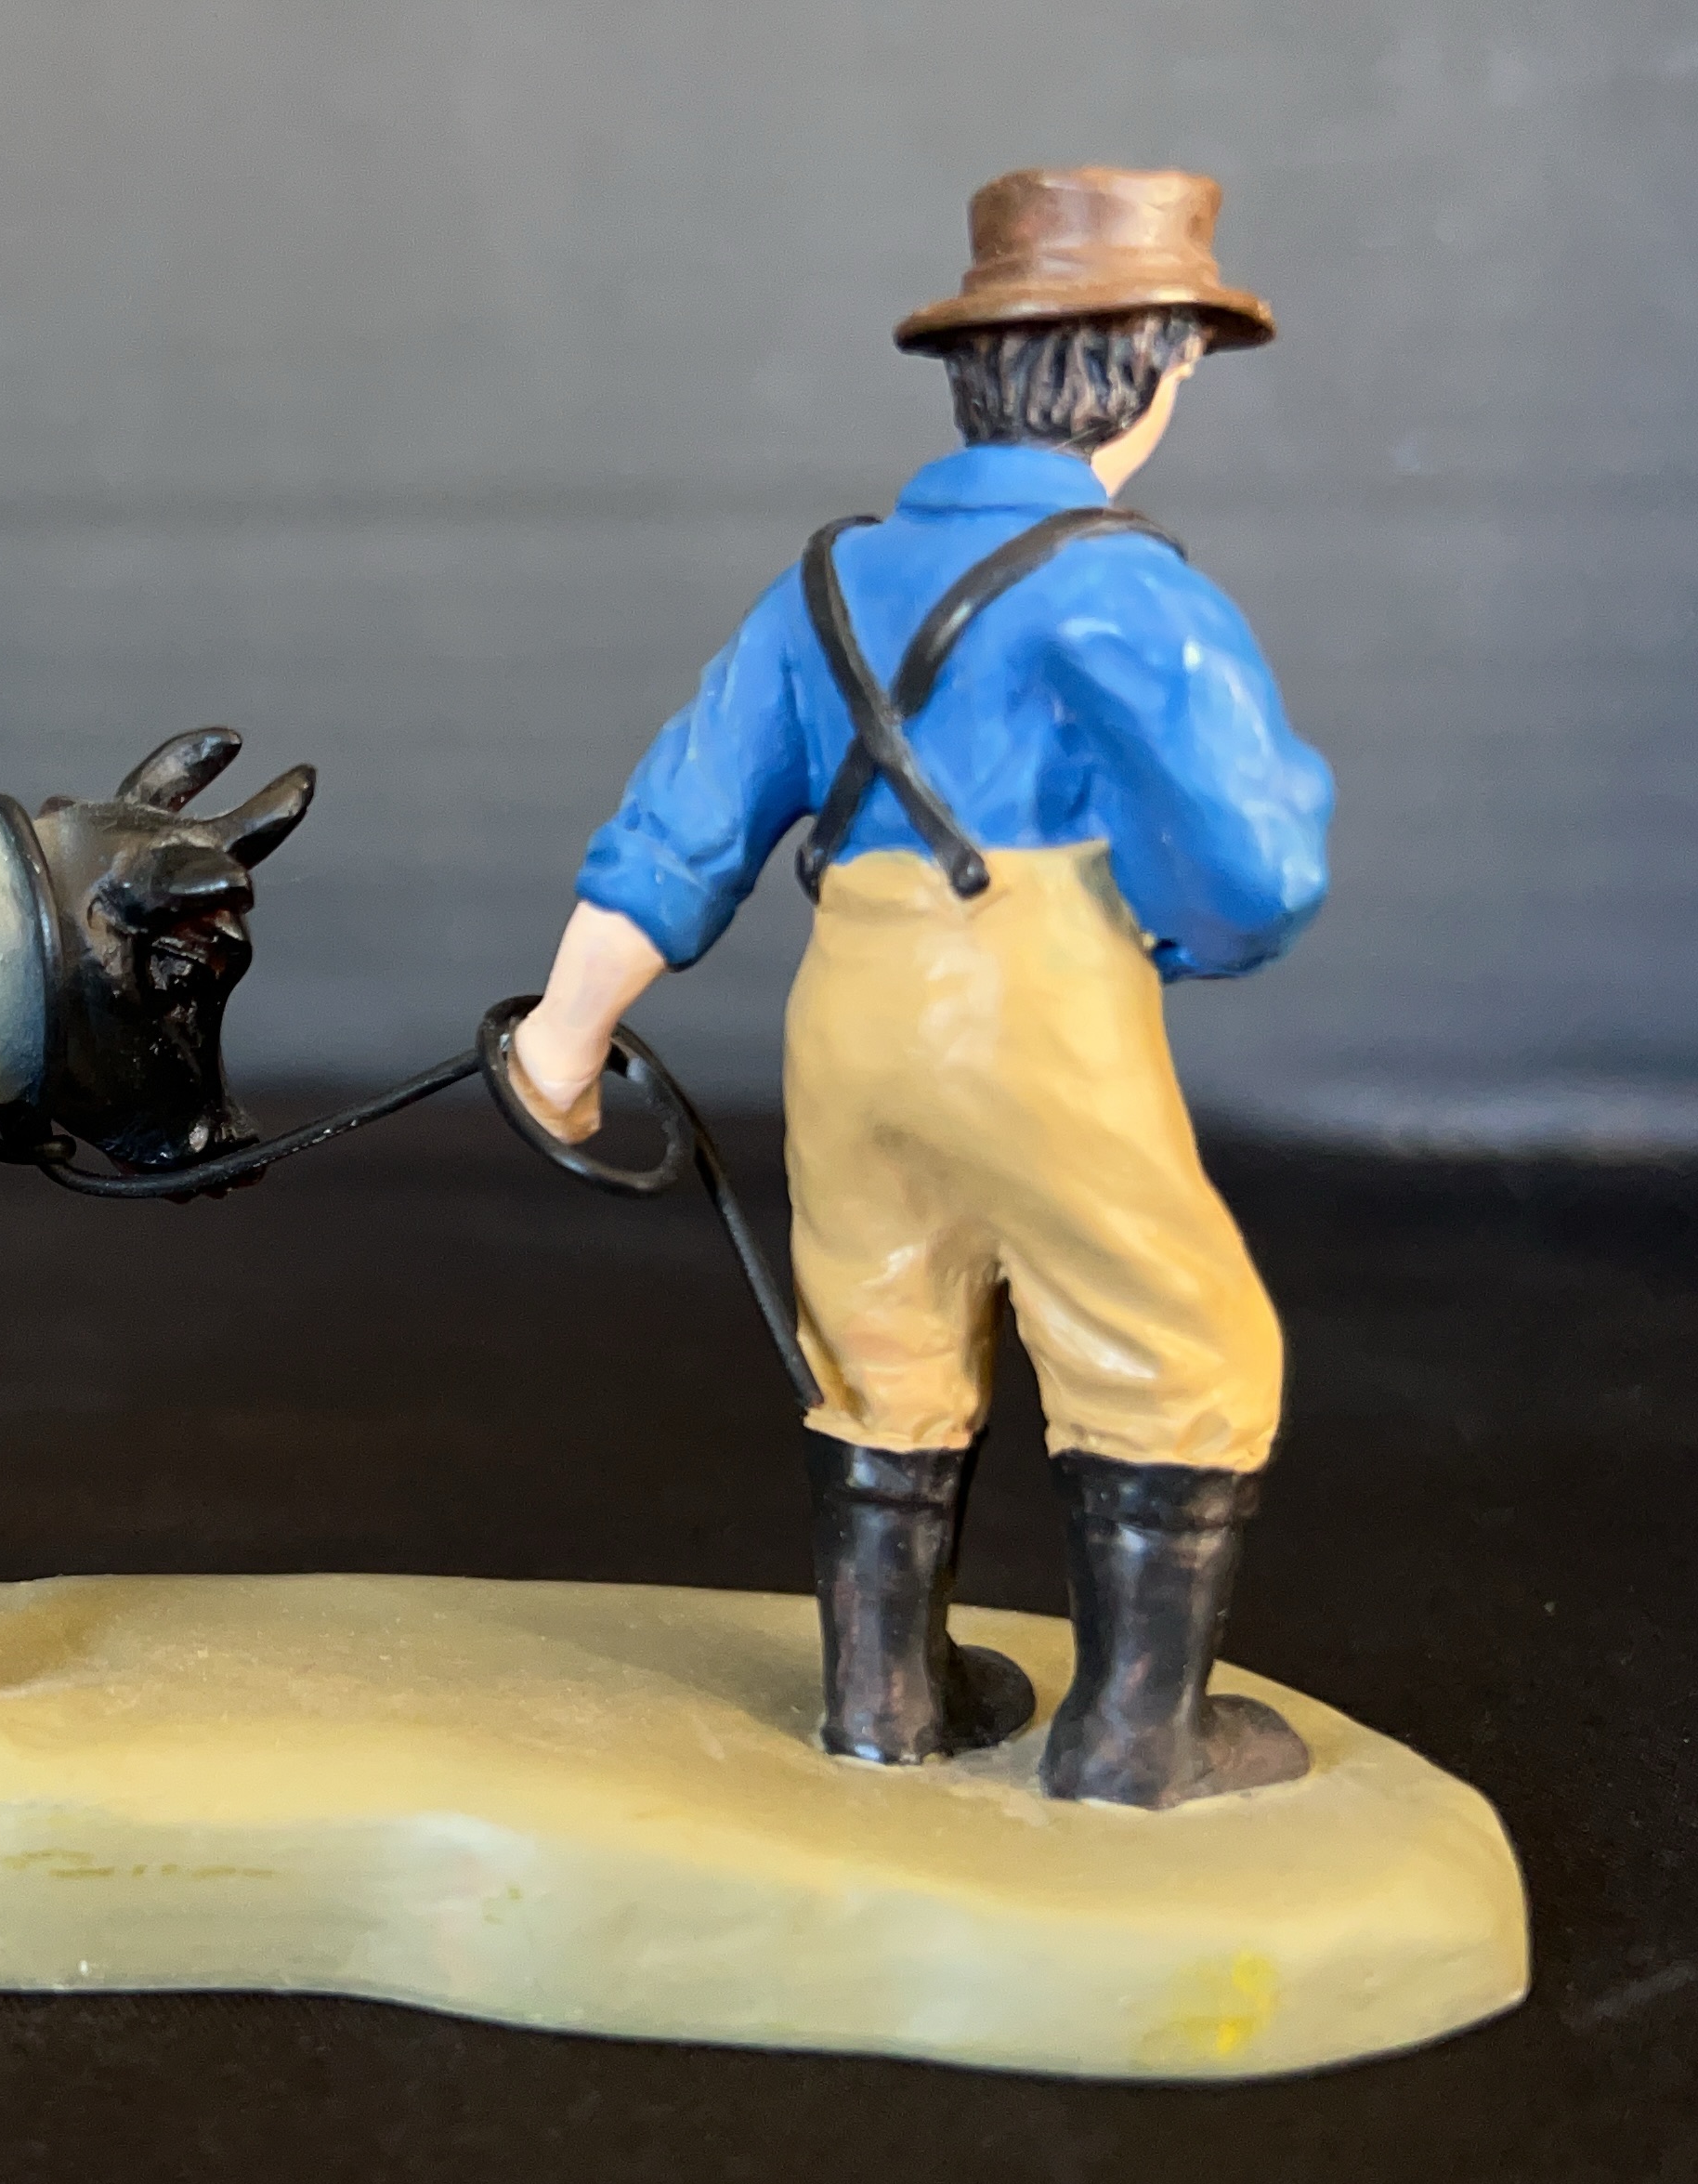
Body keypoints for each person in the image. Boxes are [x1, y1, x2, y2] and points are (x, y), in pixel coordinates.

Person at [507, 168, 1336, 1808]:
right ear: (1150, 368)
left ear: (975, 372)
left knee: (880, 1327)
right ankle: (1137, 1736)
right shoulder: (1131, 591)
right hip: (1040, 1019)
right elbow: (1257, 866)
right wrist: (1181, 941)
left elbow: (680, 828)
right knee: (1171, 1337)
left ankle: (884, 1700)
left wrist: (564, 1038)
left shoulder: (825, 585)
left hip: (851, 1015)